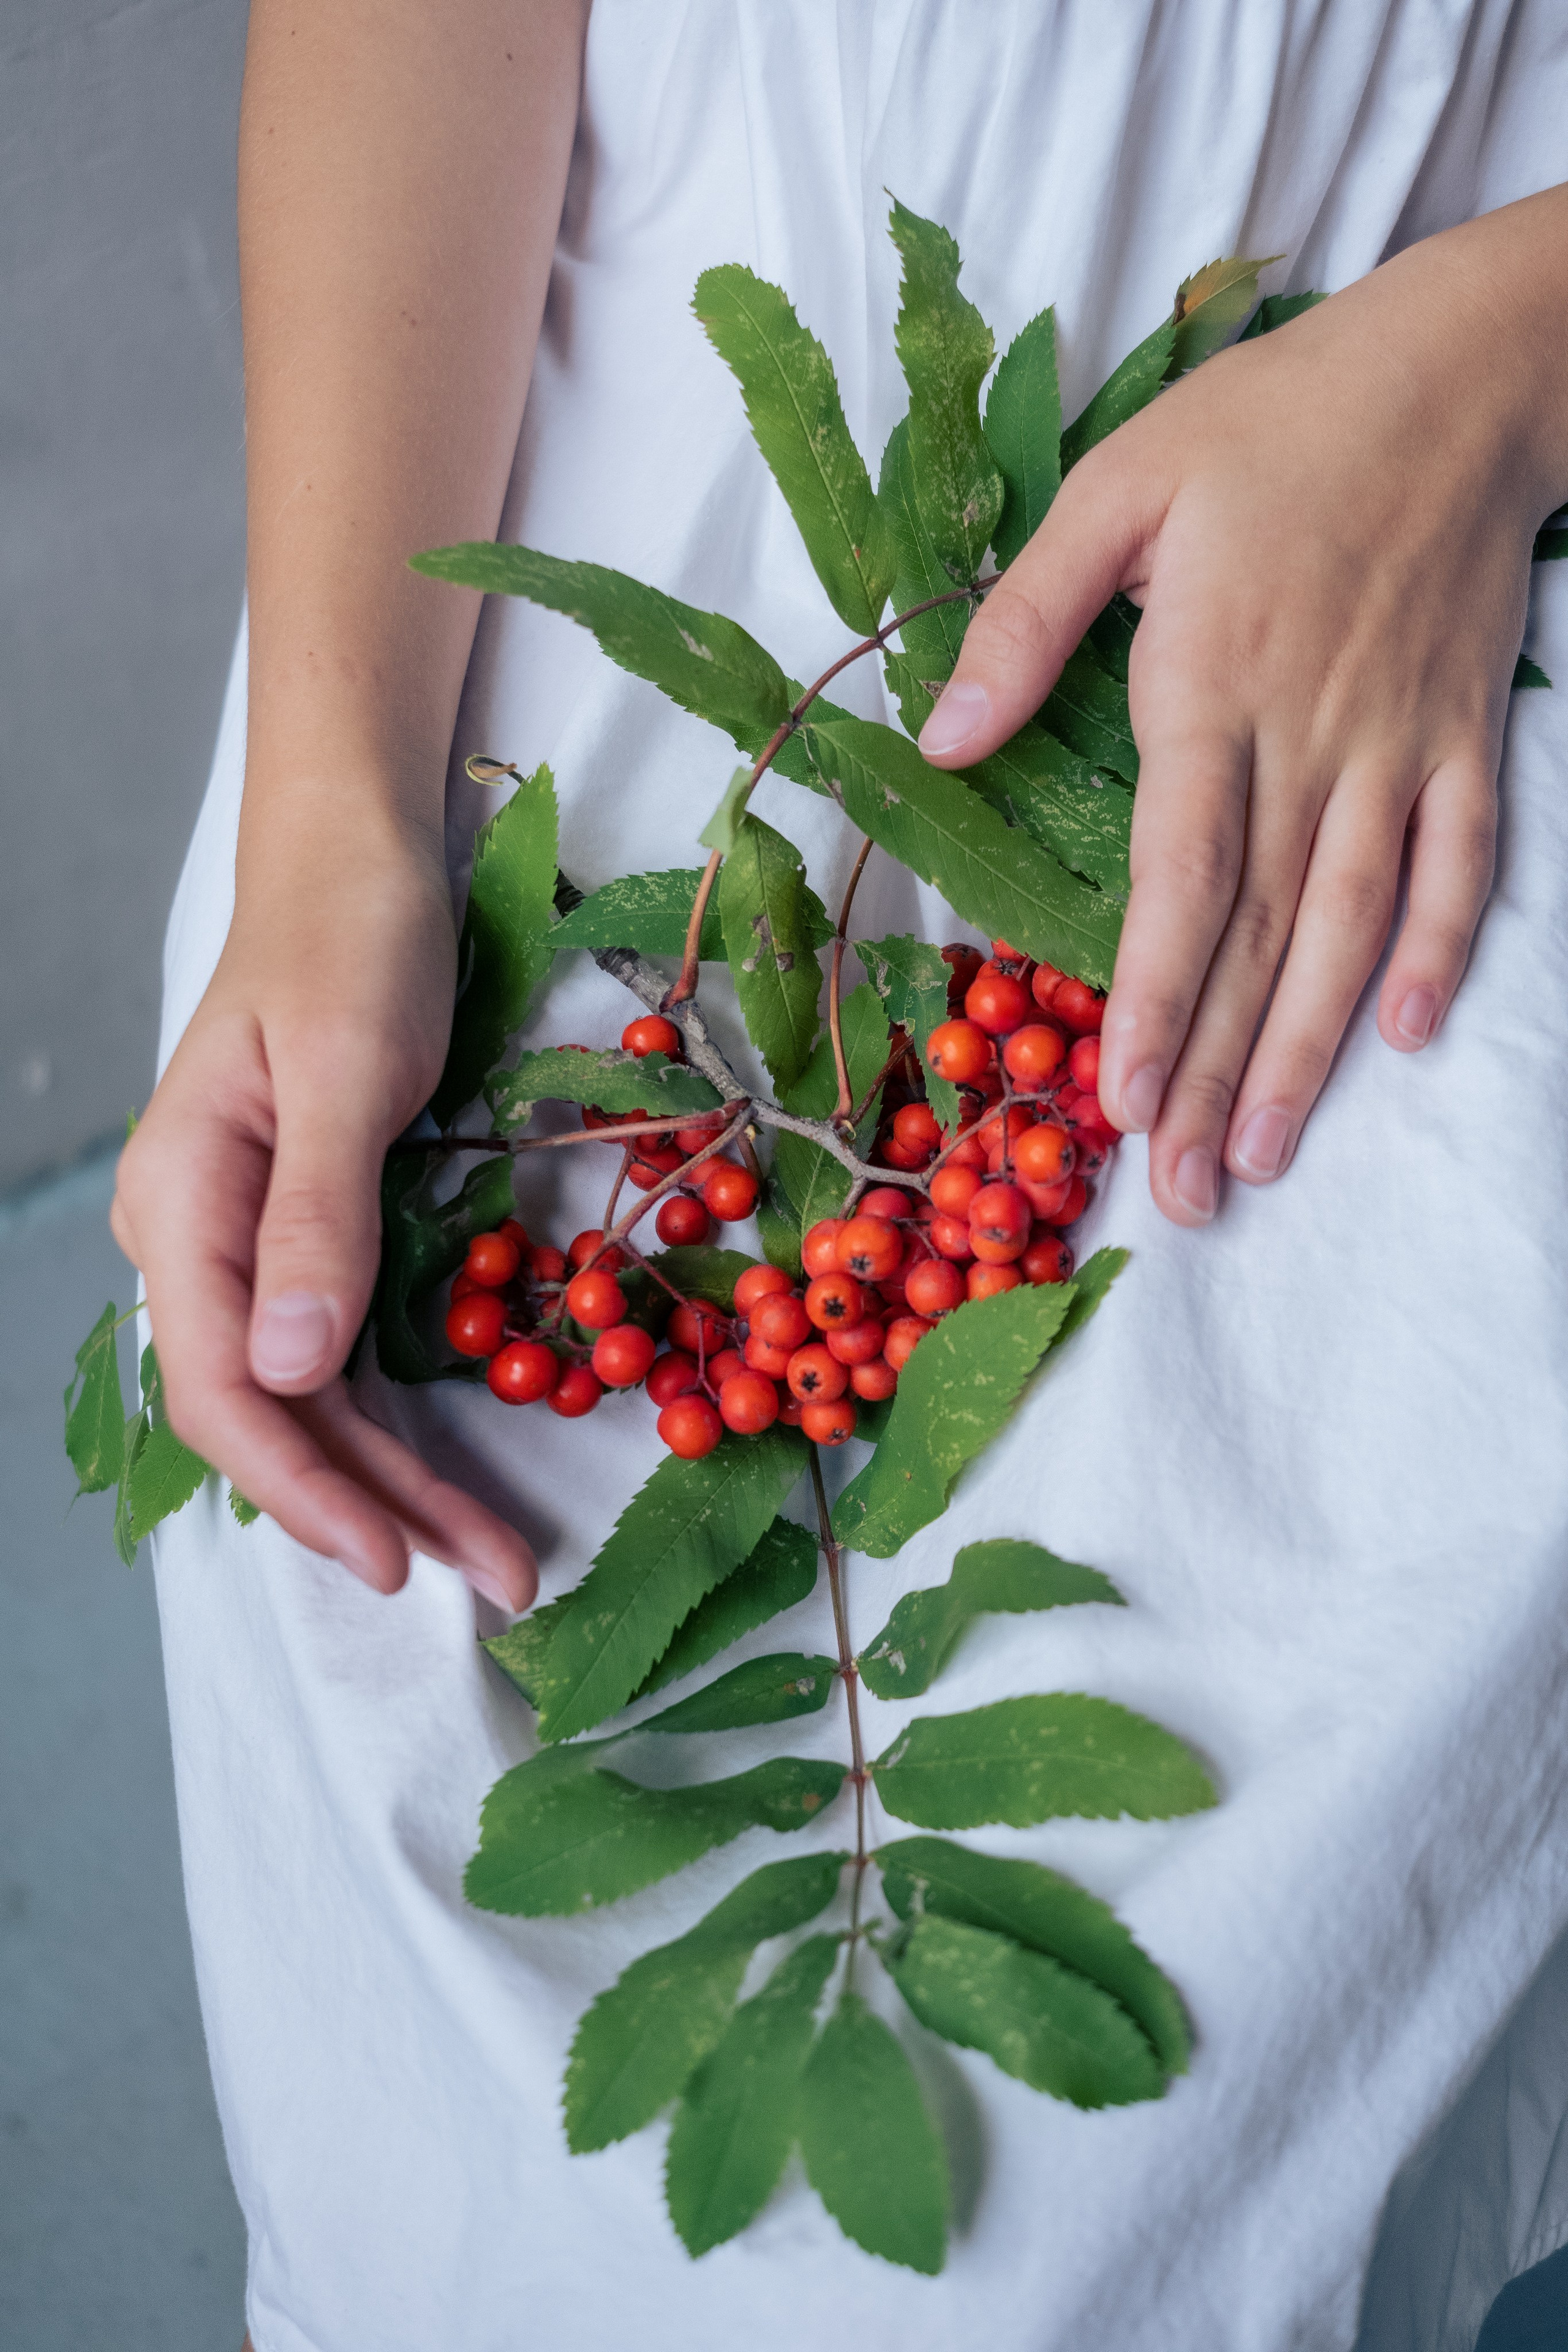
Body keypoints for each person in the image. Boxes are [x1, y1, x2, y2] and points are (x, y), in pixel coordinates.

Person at [113, 4, 1568, 2347]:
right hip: (544, 546)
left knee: (1064, 2247)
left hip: (1403, 562)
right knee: (445, 2218)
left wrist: (1512, 354)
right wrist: (327, 824)